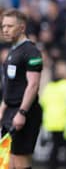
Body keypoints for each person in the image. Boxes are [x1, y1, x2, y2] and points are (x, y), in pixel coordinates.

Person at [0, 9, 43, 169]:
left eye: (10, 26)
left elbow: (33, 85)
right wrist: (2, 109)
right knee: (8, 161)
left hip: (25, 112)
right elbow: (10, 84)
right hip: (10, 110)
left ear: (22, 28)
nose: (5, 30)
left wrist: (22, 112)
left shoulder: (31, 51)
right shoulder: (12, 50)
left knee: (20, 161)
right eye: (3, 26)